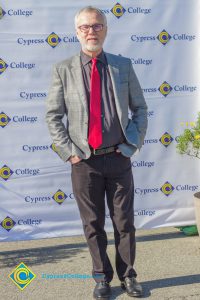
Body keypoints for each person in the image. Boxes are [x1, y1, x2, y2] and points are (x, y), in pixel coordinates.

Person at [46, 6, 148, 299]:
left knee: (124, 222)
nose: (92, 31)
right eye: (86, 27)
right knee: (93, 224)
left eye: (97, 26)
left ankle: (129, 277)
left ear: (106, 29)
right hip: (84, 162)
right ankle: (101, 277)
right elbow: (53, 116)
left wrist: (132, 145)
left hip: (118, 157)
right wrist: (69, 152)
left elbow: (140, 108)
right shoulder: (63, 69)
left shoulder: (122, 66)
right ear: (77, 32)